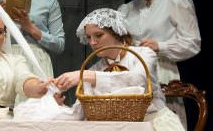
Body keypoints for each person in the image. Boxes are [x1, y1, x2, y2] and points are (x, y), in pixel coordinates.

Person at [54, 8, 185, 131]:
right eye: (88, 37)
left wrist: (91, 76)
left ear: (116, 34)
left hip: (152, 121)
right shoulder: (96, 68)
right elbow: (82, 110)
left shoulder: (144, 54)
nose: (92, 42)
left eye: (98, 35)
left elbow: (138, 80)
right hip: (116, 126)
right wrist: (59, 106)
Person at [118, 0, 201, 128]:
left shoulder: (176, 2)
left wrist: (160, 46)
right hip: (132, 70)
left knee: (162, 122)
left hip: (162, 70)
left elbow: (193, 43)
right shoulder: (127, 9)